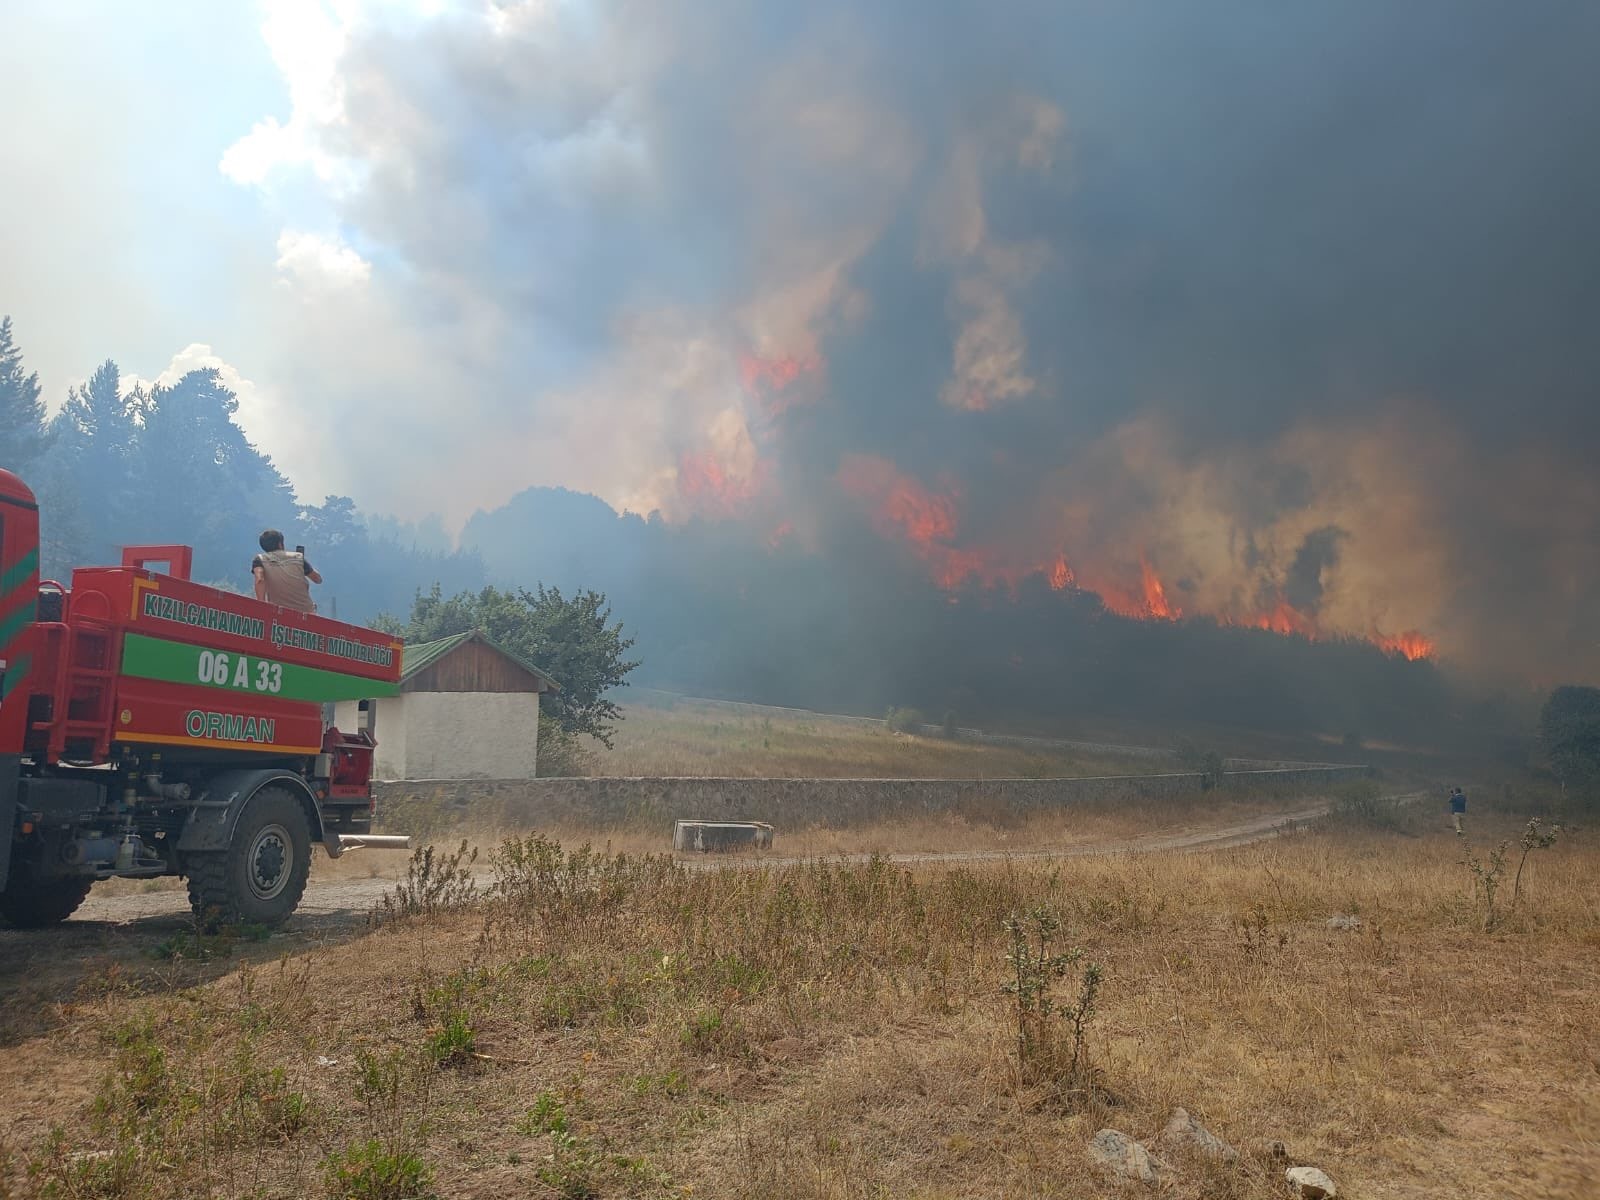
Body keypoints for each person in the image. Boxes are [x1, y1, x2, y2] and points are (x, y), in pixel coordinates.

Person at [252, 530, 321, 613]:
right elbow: (318, 579)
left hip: (279, 613)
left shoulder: (260, 559)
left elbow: (259, 580)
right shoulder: (298, 557)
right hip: (306, 612)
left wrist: (261, 607)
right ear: (280, 544)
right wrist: (304, 566)